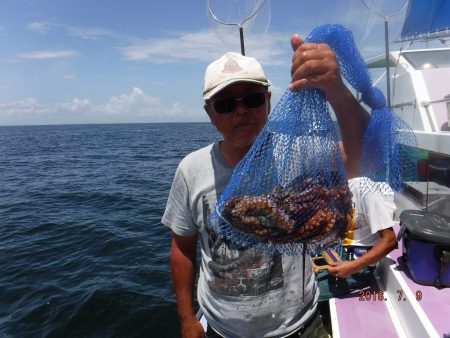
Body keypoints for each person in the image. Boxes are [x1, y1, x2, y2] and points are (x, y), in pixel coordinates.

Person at [162, 34, 370, 338]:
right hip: (221, 330)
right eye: (225, 104)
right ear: (210, 114)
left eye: (253, 98)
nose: (241, 110)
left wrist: (337, 91)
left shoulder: (303, 153)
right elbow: (182, 247)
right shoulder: (191, 170)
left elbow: (366, 157)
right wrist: (186, 319)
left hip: (300, 326)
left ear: (269, 101)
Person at [315, 144, 397, 301]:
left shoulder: (364, 187)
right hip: (331, 251)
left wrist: (352, 267)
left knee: (308, 295)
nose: (331, 156)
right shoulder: (332, 188)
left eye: (338, 154)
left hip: (355, 261)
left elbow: (390, 240)